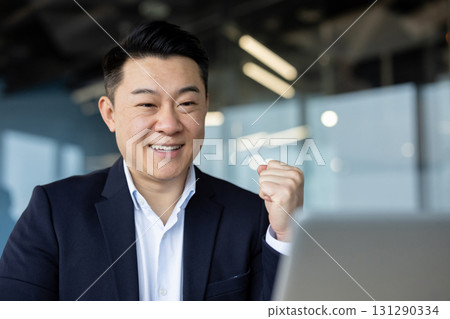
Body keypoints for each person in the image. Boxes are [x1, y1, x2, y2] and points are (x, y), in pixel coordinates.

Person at [0, 21, 304, 301]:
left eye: (186, 104)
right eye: (147, 104)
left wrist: (287, 236)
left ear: (205, 108)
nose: (169, 124)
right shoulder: (54, 213)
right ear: (110, 114)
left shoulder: (252, 216)